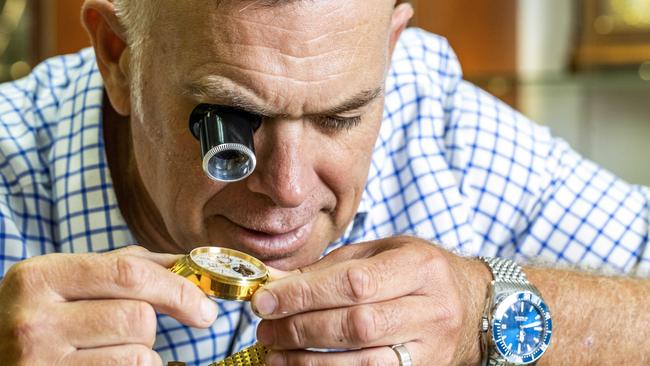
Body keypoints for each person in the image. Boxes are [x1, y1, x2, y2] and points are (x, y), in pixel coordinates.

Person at [0, 0, 648, 365]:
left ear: (391, 47)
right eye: (230, 124)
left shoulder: (436, 119)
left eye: (341, 117)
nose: (287, 191)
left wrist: (484, 311)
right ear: (118, 56)